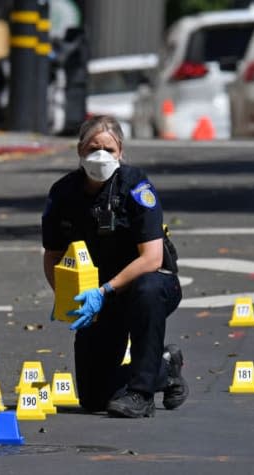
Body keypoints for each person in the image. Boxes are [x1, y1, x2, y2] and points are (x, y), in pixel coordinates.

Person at [41, 115, 185, 418]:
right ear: (80, 150)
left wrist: (104, 291)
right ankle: (164, 367)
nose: (101, 156)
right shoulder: (63, 193)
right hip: (99, 296)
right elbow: (52, 254)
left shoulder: (136, 187)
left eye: (109, 149)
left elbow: (152, 258)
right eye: (94, 148)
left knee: (147, 289)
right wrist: (65, 296)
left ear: (121, 152)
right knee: (94, 398)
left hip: (145, 285)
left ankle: (141, 394)